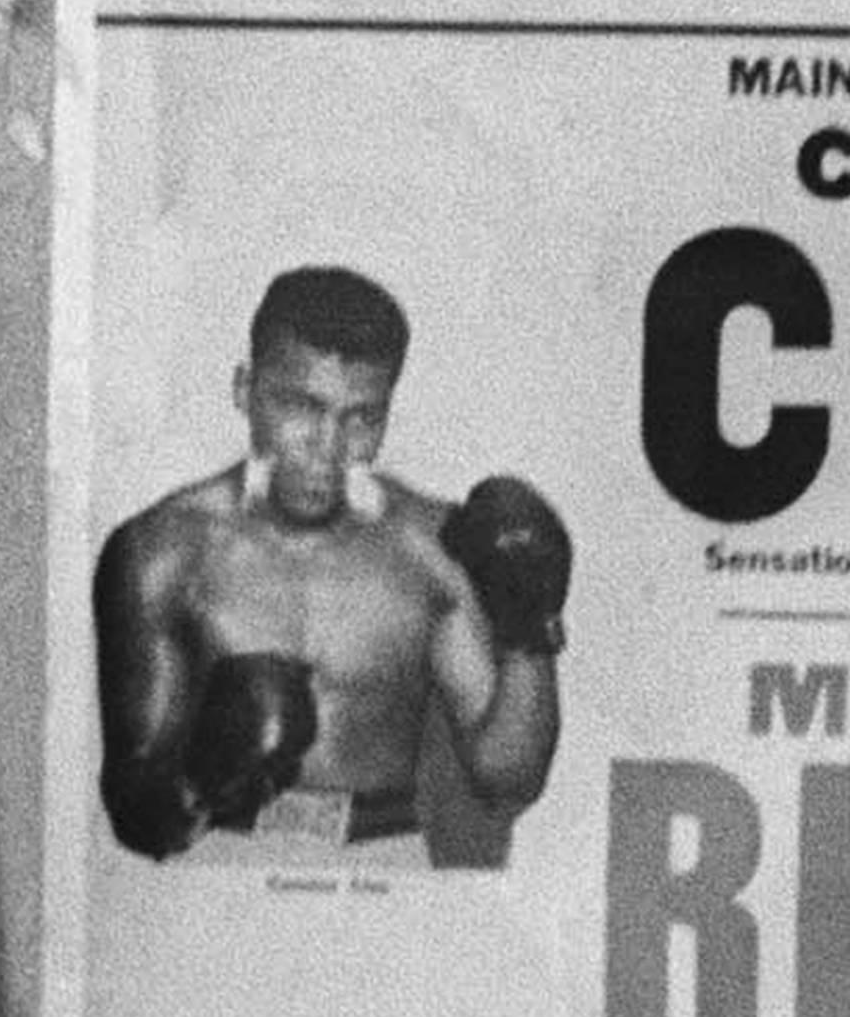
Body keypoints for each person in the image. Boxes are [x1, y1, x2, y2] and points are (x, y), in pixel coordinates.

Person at [92, 262, 569, 863]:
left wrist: (531, 632)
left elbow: (506, 778)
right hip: (222, 855)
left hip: (382, 856)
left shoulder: (432, 548)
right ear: (245, 390)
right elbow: (133, 815)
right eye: (300, 407)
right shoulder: (162, 550)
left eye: (361, 418)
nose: (328, 446)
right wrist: (204, 779)